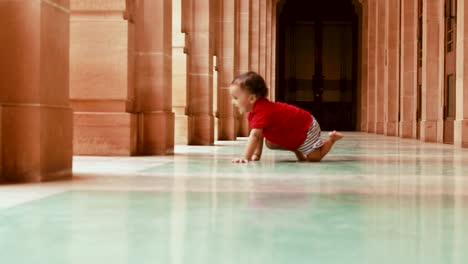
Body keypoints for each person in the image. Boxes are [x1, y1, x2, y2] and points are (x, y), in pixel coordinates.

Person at [229, 71, 343, 163]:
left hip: (307, 126)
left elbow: (254, 135)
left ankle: (331, 139)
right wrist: (256, 154)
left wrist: (246, 157)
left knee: (314, 158)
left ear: (252, 98)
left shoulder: (262, 110)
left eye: (235, 98)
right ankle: (297, 148)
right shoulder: (254, 112)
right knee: (270, 143)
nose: (233, 102)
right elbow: (259, 135)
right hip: (295, 129)